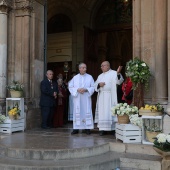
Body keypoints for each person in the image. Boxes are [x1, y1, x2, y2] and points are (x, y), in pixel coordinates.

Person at [94, 61, 124, 136]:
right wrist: (99, 84)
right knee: (102, 112)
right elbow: (95, 85)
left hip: (110, 96)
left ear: (108, 66)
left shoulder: (114, 73)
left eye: (103, 66)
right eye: (101, 66)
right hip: (101, 96)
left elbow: (119, 81)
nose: (101, 67)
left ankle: (112, 129)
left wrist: (118, 74)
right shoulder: (100, 76)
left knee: (110, 111)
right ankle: (102, 129)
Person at [68, 63, 94, 135]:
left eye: (85, 68)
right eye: (83, 68)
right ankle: (76, 128)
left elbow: (93, 87)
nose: (84, 69)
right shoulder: (75, 77)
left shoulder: (90, 77)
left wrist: (86, 90)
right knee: (77, 111)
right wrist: (77, 89)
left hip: (86, 98)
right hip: (78, 98)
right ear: (79, 69)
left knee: (86, 111)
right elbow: (70, 87)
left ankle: (87, 128)